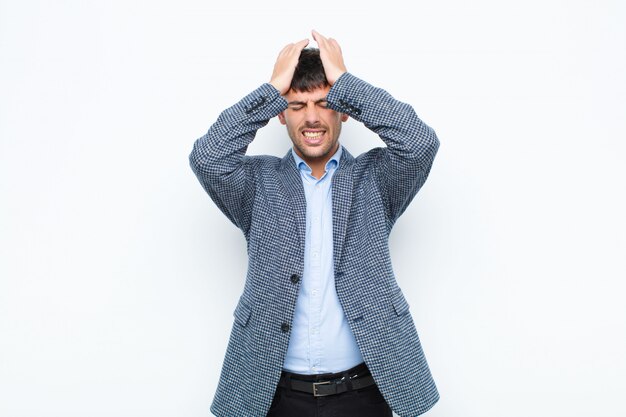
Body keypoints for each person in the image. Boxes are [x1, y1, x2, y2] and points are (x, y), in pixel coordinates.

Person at [189, 30, 440, 417]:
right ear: (279, 112)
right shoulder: (257, 183)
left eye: (324, 103)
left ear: (342, 109)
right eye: (295, 104)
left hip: (363, 393)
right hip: (276, 394)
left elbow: (420, 142)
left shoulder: (376, 179)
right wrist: (272, 88)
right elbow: (208, 158)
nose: (311, 117)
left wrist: (346, 83)